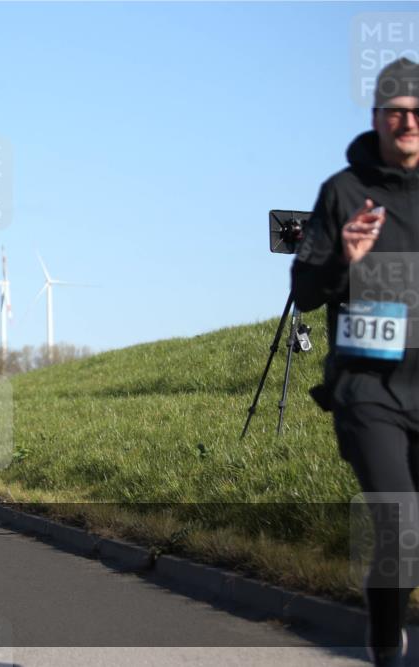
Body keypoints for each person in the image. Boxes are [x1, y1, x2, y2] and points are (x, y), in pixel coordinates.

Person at [292, 58, 419, 667]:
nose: (408, 121)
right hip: (369, 388)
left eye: (418, 111)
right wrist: (342, 256)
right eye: (397, 110)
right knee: (399, 520)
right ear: (376, 117)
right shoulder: (343, 191)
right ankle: (387, 639)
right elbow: (307, 288)